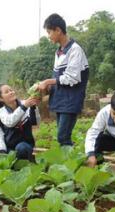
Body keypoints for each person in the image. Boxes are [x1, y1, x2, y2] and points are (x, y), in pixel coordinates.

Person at [37, 13, 89, 146]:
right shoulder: (59, 52)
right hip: (61, 99)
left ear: (58, 30)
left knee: (62, 137)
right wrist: (49, 86)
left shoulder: (75, 50)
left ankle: (72, 163)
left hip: (71, 100)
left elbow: (72, 77)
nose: (48, 36)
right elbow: (58, 76)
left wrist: (48, 81)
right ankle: (68, 162)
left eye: (49, 32)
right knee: (62, 136)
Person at [0, 84, 40, 160]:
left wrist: (33, 108)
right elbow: (10, 122)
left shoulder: (25, 103)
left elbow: (36, 122)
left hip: (25, 145)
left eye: (11, 90)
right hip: (10, 147)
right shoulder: (2, 111)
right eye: (6, 92)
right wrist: (24, 107)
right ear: (1, 98)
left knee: (21, 148)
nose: (11, 92)